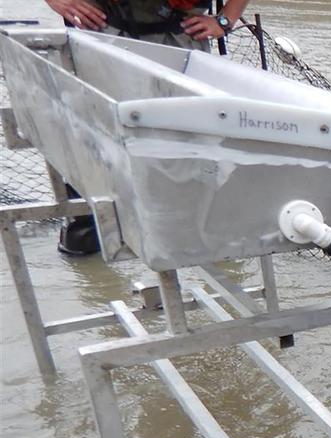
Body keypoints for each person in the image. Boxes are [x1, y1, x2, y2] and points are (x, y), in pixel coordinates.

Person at [44, 0, 250, 255]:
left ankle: (215, 246)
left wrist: (224, 20)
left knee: (199, 144)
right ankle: (87, 244)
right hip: (99, 33)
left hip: (180, 41)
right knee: (88, 134)